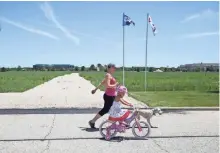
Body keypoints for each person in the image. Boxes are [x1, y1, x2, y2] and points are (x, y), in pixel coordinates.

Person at [89, 63, 118, 128]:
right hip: (109, 96)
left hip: (111, 96)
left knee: (112, 109)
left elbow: (102, 83)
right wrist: (115, 85)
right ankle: (92, 121)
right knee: (106, 109)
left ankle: (113, 123)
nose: (115, 69)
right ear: (109, 68)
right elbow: (108, 85)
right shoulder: (108, 75)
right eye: (114, 67)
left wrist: (95, 89)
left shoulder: (109, 75)